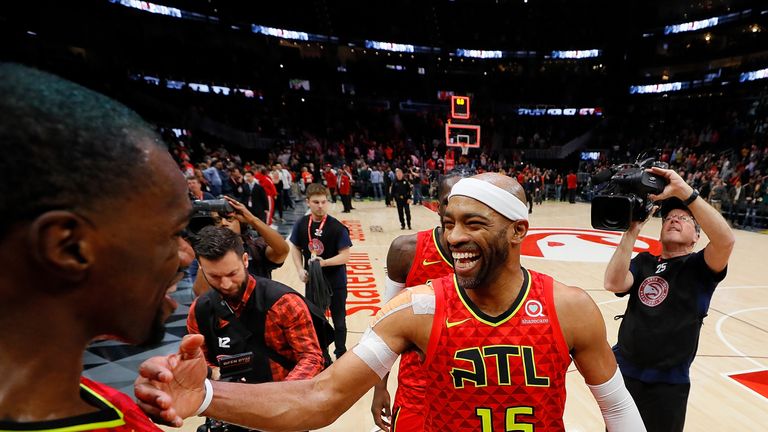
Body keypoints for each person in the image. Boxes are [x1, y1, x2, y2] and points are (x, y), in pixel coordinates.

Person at [135, 173, 645, 432]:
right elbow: (321, 397)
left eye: (474, 223)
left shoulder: (569, 308)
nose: (455, 238)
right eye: (448, 223)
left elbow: (618, 409)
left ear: (517, 232)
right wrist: (205, 397)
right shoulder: (416, 309)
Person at [0, 63, 193, 430]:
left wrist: (212, 395)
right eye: (174, 232)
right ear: (69, 247)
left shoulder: (92, 397)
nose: (186, 255)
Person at [604, 166, 735, 432]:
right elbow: (613, 282)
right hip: (625, 372)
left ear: (697, 236)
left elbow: (725, 240)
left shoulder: (700, 266)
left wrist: (685, 192)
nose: (674, 219)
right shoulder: (644, 261)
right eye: (669, 218)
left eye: (684, 219)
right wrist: (631, 232)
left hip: (667, 384)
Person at [187, 227, 323, 407]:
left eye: (232, 273)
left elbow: (311, 357)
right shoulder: (200, 311)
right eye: (214, 276)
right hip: (229, 406)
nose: (225, 284)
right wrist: (213, 373)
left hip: (283, 404)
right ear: (201, 268)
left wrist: (277, 399)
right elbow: (201, 360)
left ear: (245, 260)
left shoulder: (284, 303)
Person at [370, 173, 460, 431]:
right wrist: (379, 386)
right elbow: (383, 325)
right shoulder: (406, 250)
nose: (456, 210)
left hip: (468, 387)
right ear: (437, 205)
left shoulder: (491, 257)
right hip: (416, 388)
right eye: (449, 202)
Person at [289, 183, 352, 360]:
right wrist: (300, 269)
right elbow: (295, 246)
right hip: (314, 282)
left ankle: (341, 353)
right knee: (316, 321)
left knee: (339, 321)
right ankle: (322, 355)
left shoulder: (337, 227)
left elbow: (345, 256)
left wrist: (324, 263)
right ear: (308, 202)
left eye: (324, 202)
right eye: (316, 202)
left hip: (336, 283)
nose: (320, 206)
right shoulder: (301, 224)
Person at [192, 195, 290, 296]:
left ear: (241, 221)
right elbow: (200, 293)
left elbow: (283, 250)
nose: (223, 223)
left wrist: (252, 219)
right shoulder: (203, 255)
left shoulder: (256, 248)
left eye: (229, 218)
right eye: (217, 220)